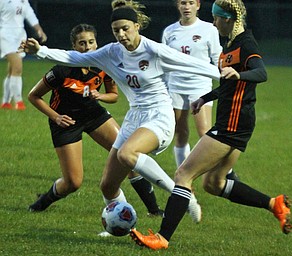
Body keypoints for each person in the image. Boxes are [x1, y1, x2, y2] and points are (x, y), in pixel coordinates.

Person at [19, 3, 222, 224]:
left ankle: (182, 194)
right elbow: (72, 58)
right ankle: (118, 225)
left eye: (125, 28)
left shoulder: (154, 50)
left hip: (159, 114)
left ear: (137, 26)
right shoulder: (111, 52)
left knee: (127, 154)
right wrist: (40, 51)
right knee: (107, 185)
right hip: (134, 117)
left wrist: (233, 76)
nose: (121, 34)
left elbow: (194, 64)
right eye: (116, 30)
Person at [130, 0, 292, 250]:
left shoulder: (245, 43)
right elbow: (229, 84)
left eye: (217, 19)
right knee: (214, 183)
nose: (214, 23)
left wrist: (241, 75)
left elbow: (261, 73)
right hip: (237, 121)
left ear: (228, 19)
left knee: (183, 174)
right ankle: (274, 204)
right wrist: (206, 98)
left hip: (232, 123)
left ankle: (162, 238)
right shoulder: (231, 44)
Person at [27, 23, 164, 219]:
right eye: (82, 43)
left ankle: (154, 210)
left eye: (91, 42)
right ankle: (43, 202)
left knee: (128, 155)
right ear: (74, 47)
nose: (88, 47)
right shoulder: (61, 70)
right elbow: (33, 96)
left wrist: (100, 97)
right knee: (73, 182)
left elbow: (114, 95)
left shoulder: (103, 64)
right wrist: (55, 116)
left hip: (94, 115)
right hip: (66, 122)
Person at [162, 0, 238, 180]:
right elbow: (164, 61)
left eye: (190, 2)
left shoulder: (208, 29)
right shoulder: (169, 31)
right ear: (177, 6)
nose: (186, 7)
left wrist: (225, 76)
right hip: (176, 86)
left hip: (200, 86)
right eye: (182, 3)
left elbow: (217, 57)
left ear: (198, 5)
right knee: (180, 133)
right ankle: (184, 177)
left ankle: (227, 172)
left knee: (205, 132)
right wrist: (165, 87)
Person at [0, 0, 47, 110]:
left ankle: (5, 102)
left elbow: (30, 14)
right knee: (17, 67)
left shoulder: (23, 1)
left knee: (12, 69)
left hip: (20, 35)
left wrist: (39, 29)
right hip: (6, 35)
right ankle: (18, 102)